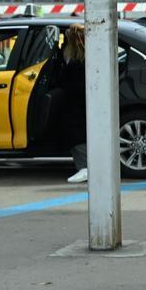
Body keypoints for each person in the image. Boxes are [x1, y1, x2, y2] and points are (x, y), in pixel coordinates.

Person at [58, 24, 89, 184]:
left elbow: (70, 85)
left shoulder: (75, 63)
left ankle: (85, 166)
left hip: (76, 104)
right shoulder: (85, 58)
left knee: (75, 128)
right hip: (83, 101)